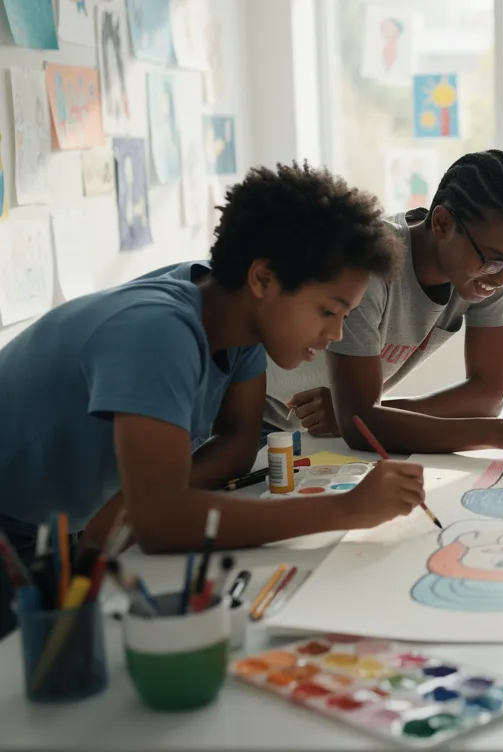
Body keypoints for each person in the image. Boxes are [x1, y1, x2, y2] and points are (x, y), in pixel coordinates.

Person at [0, 163, 426, 638]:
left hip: (57, 520)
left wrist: (136, 504)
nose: (335, 334)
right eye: (327, 311)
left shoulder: (230, 316)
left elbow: (240, 441)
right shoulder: (159, 333)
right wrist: (346, 511)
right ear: (263, 278)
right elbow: (161, 524)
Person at [262, 150, 503, 458]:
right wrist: (499, 434)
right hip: (262, 417)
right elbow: (361, 428)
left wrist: (368, 414)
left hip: (319, 437)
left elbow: (488, 397)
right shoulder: (371, 263)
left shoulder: (491, 273)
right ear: (441, 223)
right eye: (495, 261)